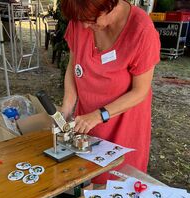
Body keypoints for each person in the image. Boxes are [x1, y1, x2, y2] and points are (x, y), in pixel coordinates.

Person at [60, 0, 161, 184]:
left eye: (90, 20)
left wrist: (99, 115)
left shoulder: (141, 31)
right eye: (80, 20)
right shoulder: (81, 17)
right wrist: (66, 106)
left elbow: (140, 91)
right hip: (86, 125)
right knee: (86, 182)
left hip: (123, 126)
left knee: (117, 188)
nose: (84, 25)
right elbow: (73, 67)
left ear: (110, 4)